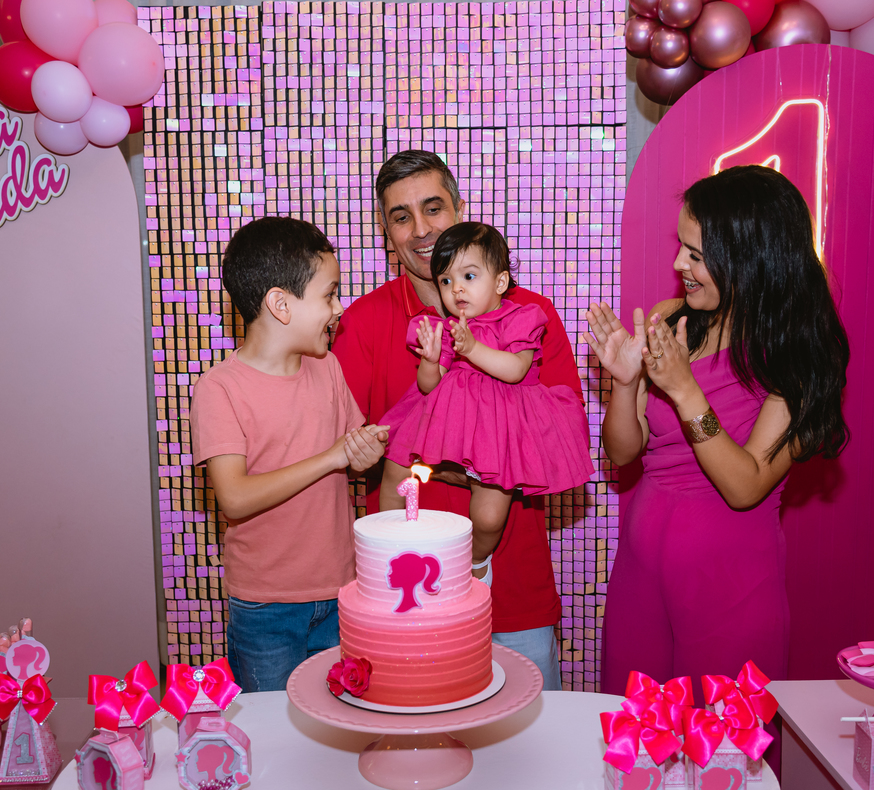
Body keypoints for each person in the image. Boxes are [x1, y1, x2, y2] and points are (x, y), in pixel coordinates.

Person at [586, 165, 850, 701]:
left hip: (730, 586)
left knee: (719, 739)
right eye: (681, 248)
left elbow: (745, 485)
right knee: (636, 733)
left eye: (696, 255)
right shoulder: (672, 320)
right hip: (641, 576)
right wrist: (625, 383)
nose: (678, 265)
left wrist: (686, 391)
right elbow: (624, 452)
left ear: (750, 261)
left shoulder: (796, 359)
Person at [332, 151, 581, 690]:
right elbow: (343, 457)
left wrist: (452, 466)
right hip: (405, 600)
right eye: (401, 217)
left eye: (433, 208)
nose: (421, 230)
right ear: (386, 231)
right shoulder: (362, 322)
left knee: (530, 739)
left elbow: (560, 439)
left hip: (513, 597)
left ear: (460, 209)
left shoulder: (529, 315)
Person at [191, 217, 389, 692]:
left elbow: (351, 456)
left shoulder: (328, 367)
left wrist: (364, 455)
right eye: (329, 295)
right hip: (266, 606)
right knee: (272, 725)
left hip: (341, 591)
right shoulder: (220, 389)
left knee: (339, 719)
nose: (339, 308)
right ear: (280, 304)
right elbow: (234, 498)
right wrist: (332, 458)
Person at [378, 222, 593, 557]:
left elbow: (516, 370)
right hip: (451, 423)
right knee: (395, 464)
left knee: (489, 516)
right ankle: (386, 546)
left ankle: (477, 561)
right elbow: (428, 387)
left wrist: (472, 348)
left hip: (500, 429)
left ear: (500, 282)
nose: (456, 289)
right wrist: (431, 362)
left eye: (469, 276)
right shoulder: (449, 328)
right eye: (445, 280)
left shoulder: (521, 319)